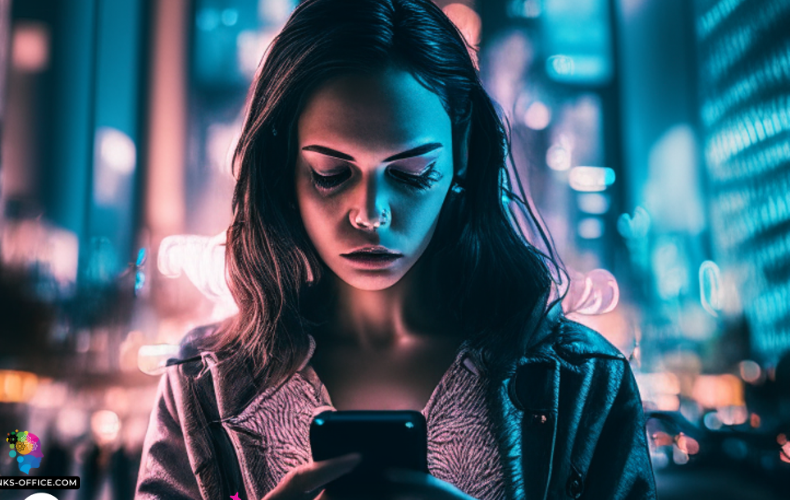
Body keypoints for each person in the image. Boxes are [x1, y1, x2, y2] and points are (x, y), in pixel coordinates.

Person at [135, 0, 656, 499]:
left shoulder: (585, 383)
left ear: (463, 156)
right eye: (331, 175)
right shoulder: (201, 385)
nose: (370, 213)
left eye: (411, 174)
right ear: (283, 170)